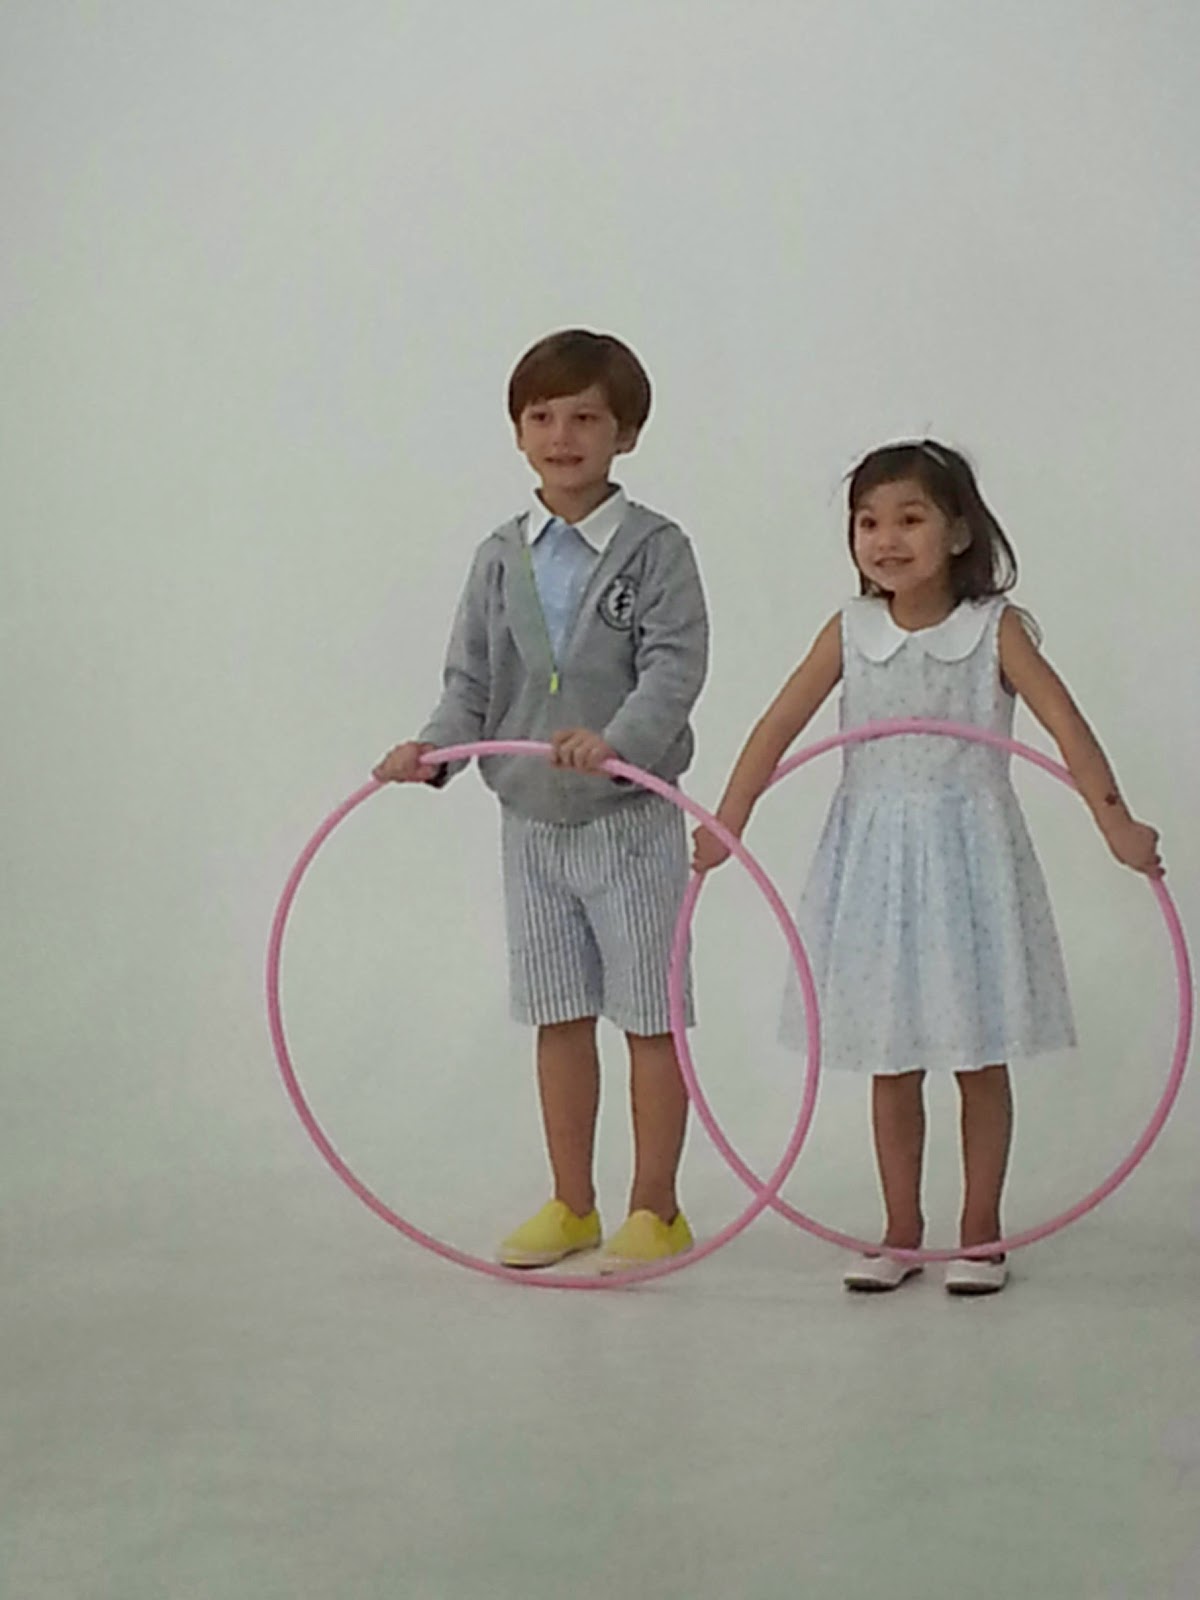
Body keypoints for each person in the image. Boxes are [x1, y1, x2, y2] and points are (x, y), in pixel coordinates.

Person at [691, 440, 1160, 1295]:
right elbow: (776, 727)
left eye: (910, 519)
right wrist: (729, 823)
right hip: (876, 862)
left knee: (978, 1053)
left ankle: (980, 1230)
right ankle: (901, 1229)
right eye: (868, 522)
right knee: (892, 1053)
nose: (886, 539)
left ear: (958, 532)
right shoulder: (850, 630)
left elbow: (1067, 727)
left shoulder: (993, 631)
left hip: (970, 859)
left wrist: (1115, 823)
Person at [375, 329, 709, 1272]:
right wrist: (433, 750)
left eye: (586, 418)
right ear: (519, 432)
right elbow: (471, 681)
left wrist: (619, 744)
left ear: (624, 433)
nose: (563, 436)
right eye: (542, 417)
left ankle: (657, 1208)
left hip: (629, 821)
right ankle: (572, 1204)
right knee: (558, 1014)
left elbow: (674, 667)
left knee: (649, 1015)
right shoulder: (500, 555)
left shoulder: (657, 549)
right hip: (529, 823)